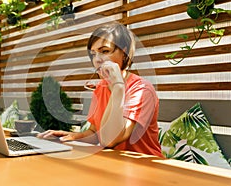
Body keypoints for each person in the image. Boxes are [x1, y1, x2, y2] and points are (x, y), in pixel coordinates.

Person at [37, 22, 163, 157]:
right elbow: (95, 132)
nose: (97, 59)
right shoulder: (100, 88)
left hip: (144, 166)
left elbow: (110, 140)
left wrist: (118, 86)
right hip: (113, 162)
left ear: (124, 53)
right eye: (93, 54)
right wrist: (73, 136)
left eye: (105, 51)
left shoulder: (142, 90)